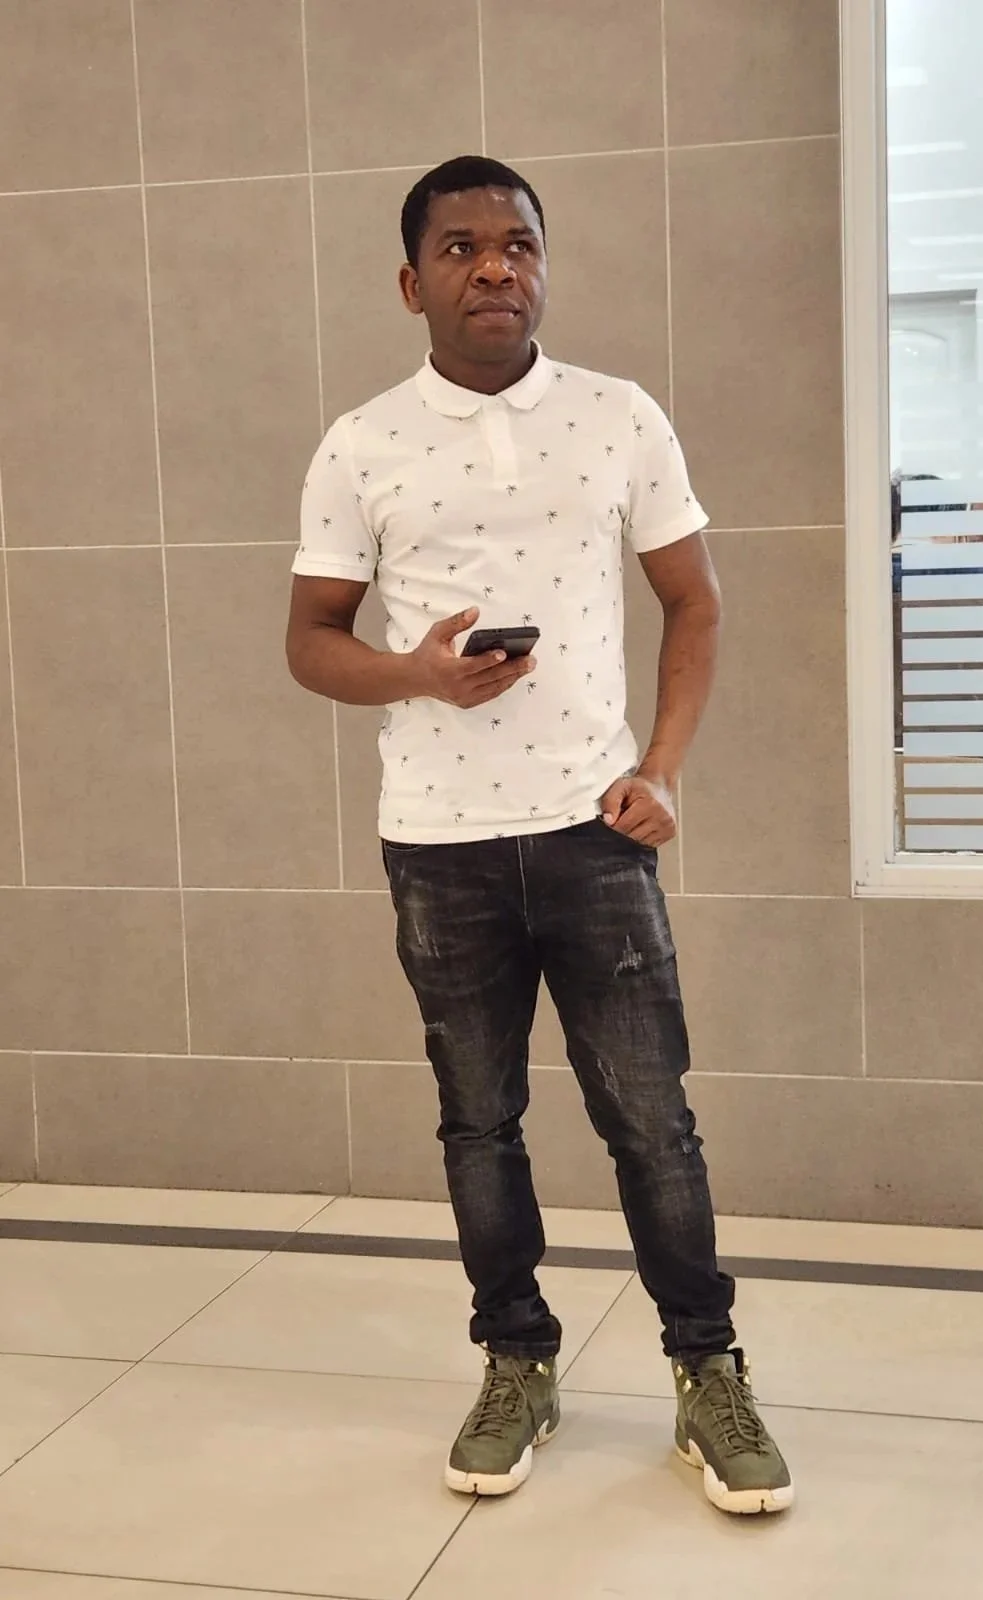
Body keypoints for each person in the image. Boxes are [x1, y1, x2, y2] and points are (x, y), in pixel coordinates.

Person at [285, 155, 791, 1517]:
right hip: (437, 842)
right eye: (461, 247)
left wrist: (662, 770)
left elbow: (695, 601)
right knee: (478, 1123)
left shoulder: (619, 417)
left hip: (593, 830)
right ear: (412, 284)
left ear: (545, 267)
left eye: (518, 243)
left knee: (653, 1122)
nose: (495, 267)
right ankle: (517, 1362)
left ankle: (708, 1371)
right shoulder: (360, 443)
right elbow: (311, 642)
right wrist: (417, 674)